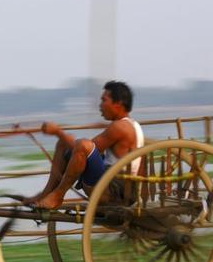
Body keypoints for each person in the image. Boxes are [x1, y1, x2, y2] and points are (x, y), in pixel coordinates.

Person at [24, 80, 144, 209]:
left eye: (104, 100)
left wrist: (58, 132)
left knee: (82, 145)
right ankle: (46, 194)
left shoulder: (120, 127)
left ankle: (57, 196)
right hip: (119, 184)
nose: (100, 106)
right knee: (64, 144)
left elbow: (84, 149)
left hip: (115, 191)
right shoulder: (131, 124)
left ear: (118, 104)